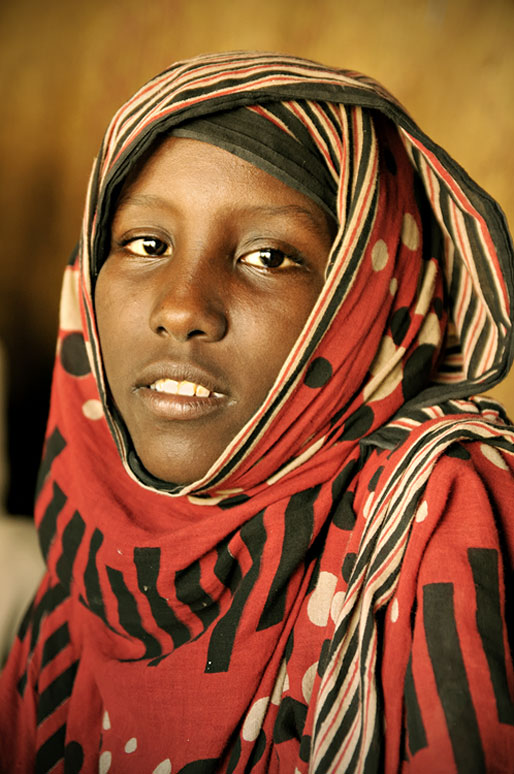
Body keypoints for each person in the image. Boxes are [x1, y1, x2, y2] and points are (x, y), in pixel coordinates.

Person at [1, 51, 513, 774]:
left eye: (270, 257)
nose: (182, 310)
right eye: (146, 244)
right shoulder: (91, 541)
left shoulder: (443, 510)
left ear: (365, 301)